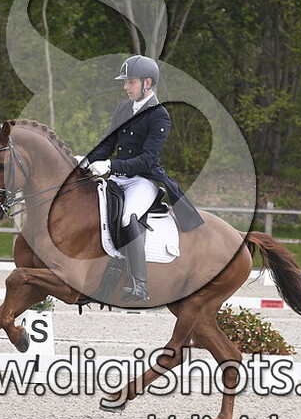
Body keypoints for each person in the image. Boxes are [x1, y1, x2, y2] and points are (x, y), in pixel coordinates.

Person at [75, 55, 204, 302]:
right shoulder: (123, 108)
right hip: (118, 178)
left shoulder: (159, 115)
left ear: (147, 83)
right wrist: (87, 160)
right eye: (125, 82)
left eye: (130, 82)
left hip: (143, 180)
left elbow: (147, 159)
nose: (126, 87)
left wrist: (110, 165)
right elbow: (108, 143)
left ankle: (139, 284)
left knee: (127, 216)